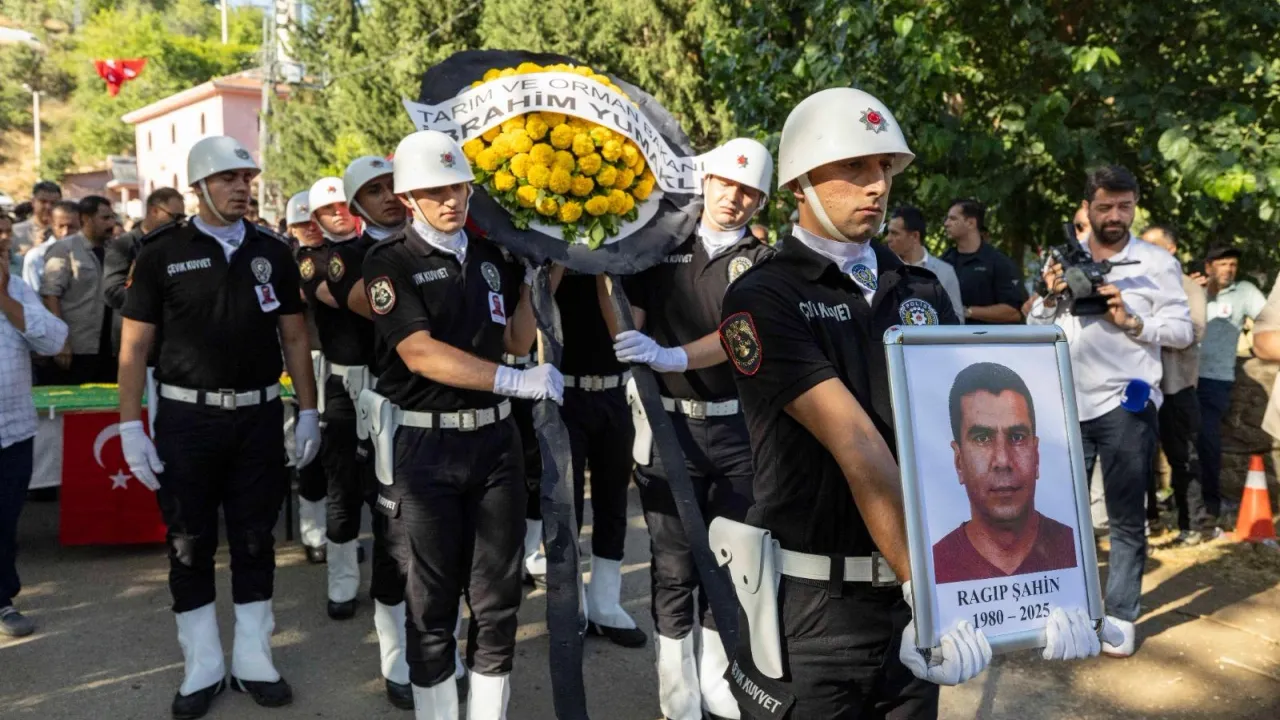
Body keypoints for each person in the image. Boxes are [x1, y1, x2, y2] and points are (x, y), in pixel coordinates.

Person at [716, 88, 1106, 719]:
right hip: (815, 612)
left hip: (912, 599)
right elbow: (858, 447)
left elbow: (963, 440)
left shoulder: (919, 290)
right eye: (854, 167)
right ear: (799, 182)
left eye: (884, 167)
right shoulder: (763, 296)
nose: (877, 185)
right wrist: (928, 593)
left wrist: (1049, 589)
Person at [117, 135, 320, 718]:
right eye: (229, 178)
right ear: (200, 187)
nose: (241, 188)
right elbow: (135, 346)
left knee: (256, 538)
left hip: (258, 416)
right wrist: (130, 425)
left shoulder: (273, 251)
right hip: (187, 419)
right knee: (189, 541)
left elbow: (295, 337)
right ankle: (202, 664)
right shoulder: (160, 253)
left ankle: (254, 659)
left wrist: (308, 410)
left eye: (246, 179)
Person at [361, 130, 561, 718]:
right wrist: (513, 381)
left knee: (497, 601)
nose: (450, 200)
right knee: (432, 604)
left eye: (458, 187)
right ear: (408, 198)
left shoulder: (491, 258)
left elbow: (515, 340)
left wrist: (543, 278)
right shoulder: (389, 262)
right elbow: (418, 352)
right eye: (435, 190)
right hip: (425, 447)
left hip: (495, 443)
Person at [614, 137, 774, 720]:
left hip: (738, 435)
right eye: (727, 183)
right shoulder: (661, 249)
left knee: (731, 563)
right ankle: (676, 692)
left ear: (761, 201)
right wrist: (613, 296)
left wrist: (673, 356)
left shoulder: (766, 262)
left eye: (749, 191)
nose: (735, 197)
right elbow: (629, 320)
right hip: (669, 429)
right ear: (705, 182)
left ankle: (718, 681)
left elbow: (744, 334)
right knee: (674, 565)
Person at [1029, 165, 1193, 658]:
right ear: (1088, 208)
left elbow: (1182, 332)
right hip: (1064, 404)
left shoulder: (1157, 263)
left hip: (1126, 403)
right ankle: (1061, 610)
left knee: (1124, 517)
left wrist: (1132, 320)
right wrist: (1049, 294)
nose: (1115, 215)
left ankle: (1119, 616)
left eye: (1125, 206)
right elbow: (1035, 325)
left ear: (1135, 205)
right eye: (1105, 206)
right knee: (1058, 516)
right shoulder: (1063, 257)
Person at [554, 269, 645, 649]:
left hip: (614, 394)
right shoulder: (553, 255)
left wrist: (605, 265)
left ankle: (605, 603)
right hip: (564, 392)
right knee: (567, 507)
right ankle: (569, 604)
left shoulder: (626, 260)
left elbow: (630, 327)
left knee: (612, 502)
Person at [933, 362, 1077, 583]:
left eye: (1017, 437)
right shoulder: (934, 568)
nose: (1002, 460)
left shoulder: (1076, 549)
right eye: (982, 438)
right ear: (959, 461)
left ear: (1036, 455)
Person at [0, 217, 68, 638]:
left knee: (4, 522)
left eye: (4, 237)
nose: (3, 243)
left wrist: (4, 299)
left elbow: (54, 341)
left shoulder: (17, 290)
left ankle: (2, 601)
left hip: (13, 430)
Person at [1138, 225, 1209, 544]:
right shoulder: (1136, 283)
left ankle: (1192, 524)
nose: (1146, 251)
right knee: (1138, 456)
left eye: (1153, 245)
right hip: (1141, 385)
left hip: (1175, 386)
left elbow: (1192, 332)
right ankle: (1147, 520)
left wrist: (1142, 328)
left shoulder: (1188, 287)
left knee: (1182, 458)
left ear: (1171, 249)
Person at [1193, 245, 1267, 526]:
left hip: (1216, 378)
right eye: (1222, 264)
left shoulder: (1245, 291)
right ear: (1208, 266)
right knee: (1180, 441)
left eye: (1233, 264)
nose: (1229, 269)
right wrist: (1195, 292)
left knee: (1207, 437)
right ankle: (1183, 500)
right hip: (1182, 377)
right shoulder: (1193, 290)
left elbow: (1269, 320)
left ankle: (1210, 503)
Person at [283, 190, 330, 566]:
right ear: (290, 228)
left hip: (343, 360)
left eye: (313, 220)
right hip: (306, 360)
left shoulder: (342, 254)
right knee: (310, 453)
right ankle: (314, 533)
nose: (310, 228)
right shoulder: (285, 264)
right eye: (301, 223)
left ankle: (337, 532)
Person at [39, 196, 118, 385]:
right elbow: (50, 296)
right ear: (87, 219)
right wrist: (61, 341)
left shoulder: (115, 250)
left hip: (110, 348)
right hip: (77, 348)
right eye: (105, 218)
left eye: (112, 217)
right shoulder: (64, 250)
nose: (111, 224)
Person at [103, 187, 186, 356]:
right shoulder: (124, 245)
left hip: (171, 343)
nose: (179, 224)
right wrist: (159, 299)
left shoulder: (179, 245)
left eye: (182, 218)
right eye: (175, 217)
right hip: (135, 341)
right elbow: (112, 292)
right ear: (154, 211)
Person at [941, 199, 1026, 323]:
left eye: (953, 219)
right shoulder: (944, 261)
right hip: (947, 334)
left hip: (986, 335)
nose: (946, 224)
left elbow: (1014, 312)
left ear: (971, 223)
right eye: (947, 219)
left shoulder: (999, 262)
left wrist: (966, 312)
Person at [885, 205, 965, 322]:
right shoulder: (884, 270)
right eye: (888, 232)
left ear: (915, 236)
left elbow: (958, 320)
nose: (888, 238)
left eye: (894, 233)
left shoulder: (944, 272)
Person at [22, 199, 80, 294]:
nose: (65, 232)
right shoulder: (36, 256)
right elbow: (32, 295)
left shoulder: (90, 253)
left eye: (71, 227)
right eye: (61, 226)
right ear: (52, 224)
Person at [10, 180, 61, 262]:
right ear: (33, 202)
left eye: (53, 203)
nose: (48, 207)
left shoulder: (68, 232)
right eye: (43, 201)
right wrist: (33, 250)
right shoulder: (15, 232)